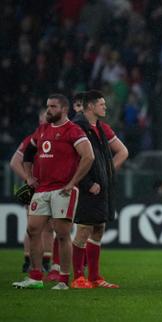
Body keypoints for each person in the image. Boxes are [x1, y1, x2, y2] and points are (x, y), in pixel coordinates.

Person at [12, 94, 94, 290]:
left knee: (62, 234)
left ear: (64, 110)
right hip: (42, 189)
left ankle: (63, 280)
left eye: (53, 107)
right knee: (33, 230)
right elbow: (28, 153)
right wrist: (29, 177)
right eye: (47, 106)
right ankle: (35, 276)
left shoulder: (73, 131)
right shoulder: (42, 130)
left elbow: (88, 157)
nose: (48, 110)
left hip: (63, 189)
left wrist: (73, 182)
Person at [70, 90, 128, 289]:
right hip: (86, 187)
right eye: (102, 104)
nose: (105, 107)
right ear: (90, 107)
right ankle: (78, 277)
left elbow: (123, 152)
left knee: (98, 228)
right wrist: (86, 183)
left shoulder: (101, 127)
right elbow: (73, 160)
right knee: (83, 229)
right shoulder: (77, 127)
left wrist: (106, 173)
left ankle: (94, 277)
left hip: (101, 186)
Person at [9, 109, 54, 275]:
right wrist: (28, 179)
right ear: (39, 119)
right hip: (35, 188)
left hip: (50, 186)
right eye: (43, 117)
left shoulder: (56, 137)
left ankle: (45, 262)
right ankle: (29, 261)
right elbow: (15, 162)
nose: (46, 119)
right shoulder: (32, 139)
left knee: (49, 227)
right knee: (33, 227)